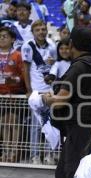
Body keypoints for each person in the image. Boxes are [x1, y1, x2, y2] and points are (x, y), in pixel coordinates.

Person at [41, 27, 91, 178]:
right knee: (67, 174)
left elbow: (59, 102)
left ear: (72, 43)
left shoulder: (79, 66)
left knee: (71, 175)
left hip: (80, 129)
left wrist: (46, 99)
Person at [21, 20, 57, 165]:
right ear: (33, 32)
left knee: (51, 124)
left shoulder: (53, 46)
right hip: (36, 92)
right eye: (38, 30)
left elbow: (56, 66)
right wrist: (29, 90)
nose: (41, 32)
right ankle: (34, 156)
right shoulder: (27, 46)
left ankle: (50, 154)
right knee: (36, 126)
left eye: (43, 29)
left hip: (50, 91)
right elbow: (25, 69)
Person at [0, 26, 25, 163]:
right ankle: (5, 151)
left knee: (13, 122)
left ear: (13, 39)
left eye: (5, 36)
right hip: (0, 96)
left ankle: (15, 152)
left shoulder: (17, 55)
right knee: (3, 123)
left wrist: (13, 79)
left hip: (14, 94)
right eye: (0, 36)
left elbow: (22, 76)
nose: (2, 38)